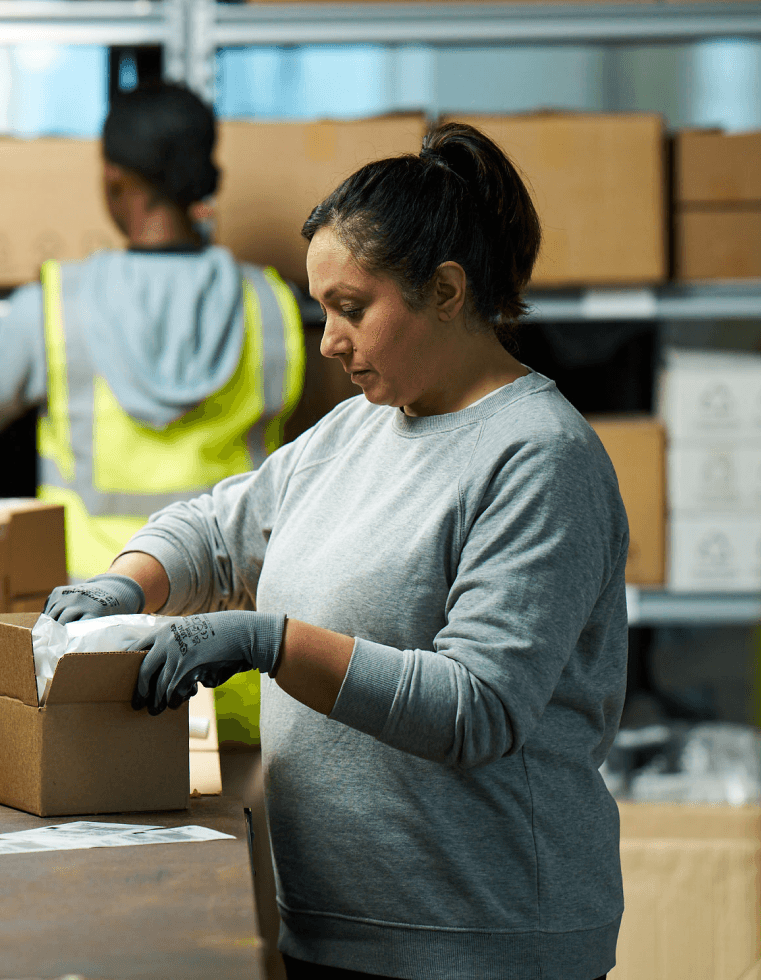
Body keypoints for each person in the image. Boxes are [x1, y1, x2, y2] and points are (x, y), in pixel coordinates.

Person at [45, 121, 628, 980]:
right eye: (323, 309)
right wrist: (125, 586)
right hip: (333, 929)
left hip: (483, 941)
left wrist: (270, 641)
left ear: (447, 290)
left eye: (351, 309)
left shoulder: (539, 457)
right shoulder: (360, 428)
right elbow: (216, 529)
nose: (328, 340)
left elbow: (479, 707)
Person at [0, 82, 305, 584]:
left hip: (97, 620)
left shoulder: (57, 304)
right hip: (233, 631)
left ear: (113, 178)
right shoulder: (272, 304)